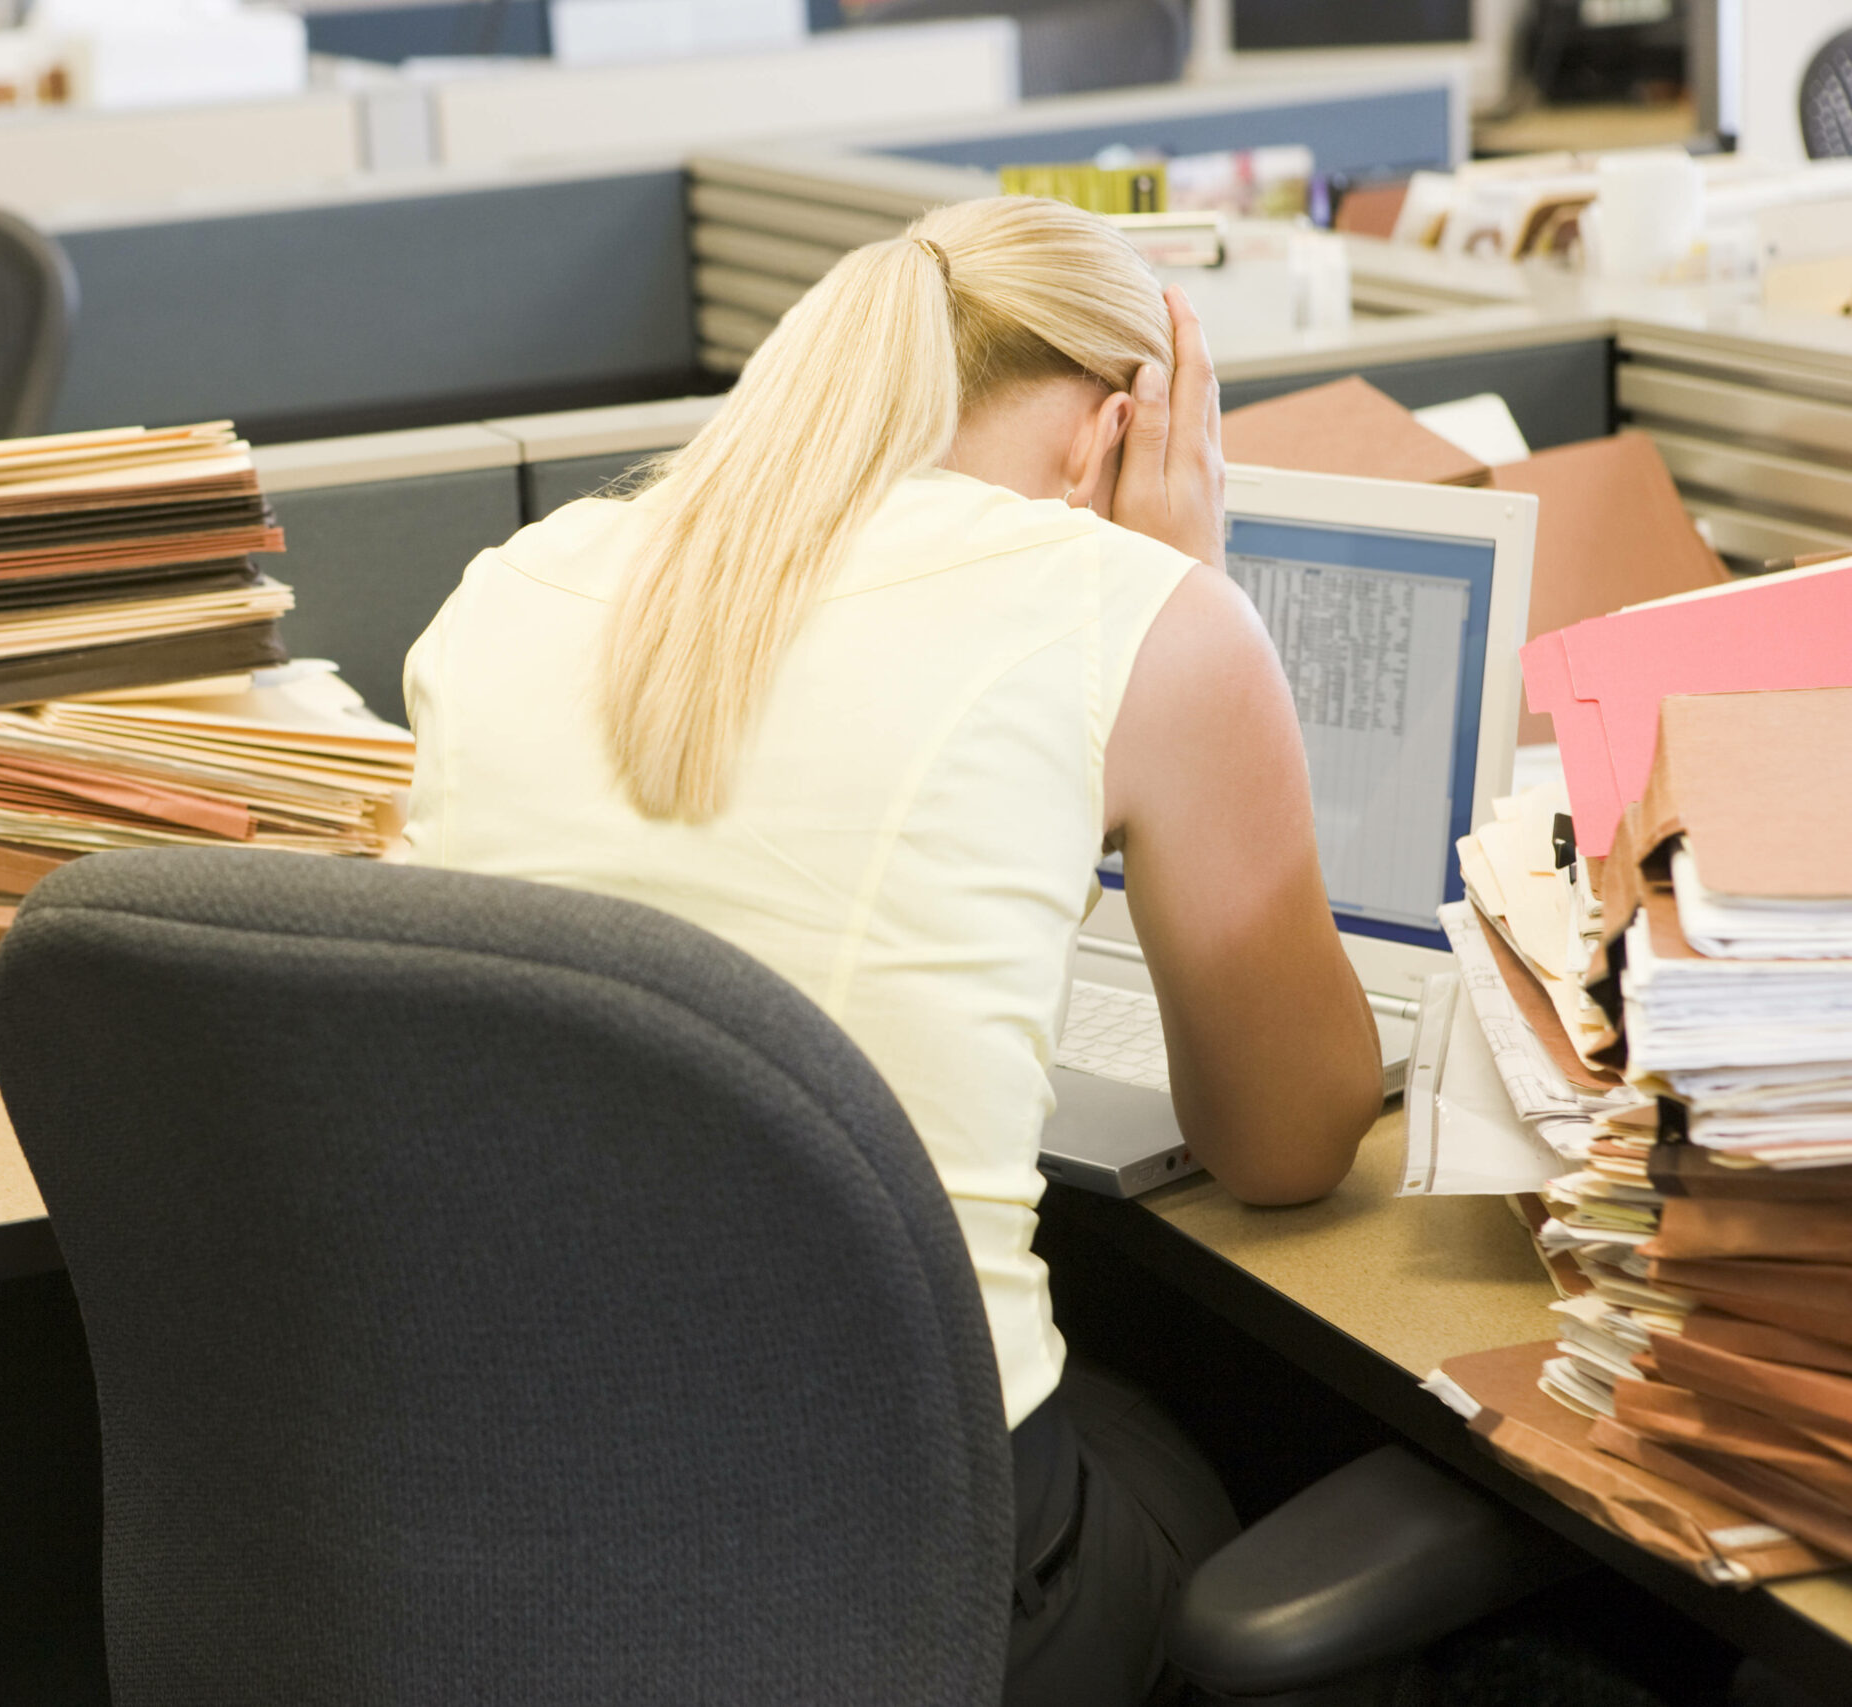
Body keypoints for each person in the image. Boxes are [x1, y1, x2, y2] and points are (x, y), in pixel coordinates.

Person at [399, 195, 1384, 1704]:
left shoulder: (516, 580)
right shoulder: (1142, 610)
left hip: (514, 1519)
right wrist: (1180, 582)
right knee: (1230, 1430)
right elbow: (1286, 1144)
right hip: (911, 1571)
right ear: (1121, 431)